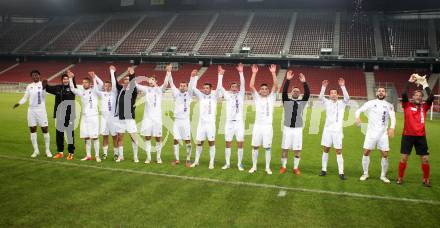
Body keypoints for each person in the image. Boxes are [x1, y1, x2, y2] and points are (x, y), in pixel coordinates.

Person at [397, 74, 434, 187]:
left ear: (422, 98)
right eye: (416, 95)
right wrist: (409, 81)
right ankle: (400, 177)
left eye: (420, 95)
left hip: (421, 136)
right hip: (407, 136)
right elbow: (403, 94)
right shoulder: (407, 105)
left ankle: (426, 179)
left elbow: (431, 96)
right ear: (413, 97)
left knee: (425, 159)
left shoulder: (424, 107)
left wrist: (425, 84)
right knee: (404, 158)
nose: (418, 97)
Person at [355, 87, 396, 183]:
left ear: (385, 94)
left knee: (385, 154)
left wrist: (392, 128)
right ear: (376, 93)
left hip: (383, 134)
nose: (381, 93)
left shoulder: (389, 105)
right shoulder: (370, 103)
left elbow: (393, 118)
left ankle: (383, 176)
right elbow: (358, 110)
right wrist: (357, 117)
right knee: (366, 152)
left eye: (383, 91)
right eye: (379, 91)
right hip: (371, 133)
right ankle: (365, 173)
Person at [13, 70, 52, 158]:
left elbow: (44, 95)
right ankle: (36, 150)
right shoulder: (29, 86)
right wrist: (19, 103)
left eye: (36, 75)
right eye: (33, 75)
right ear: (31, 77)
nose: (35, 77)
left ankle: (47, 150)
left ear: (39, 75)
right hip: (31, 111)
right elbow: (25, 97)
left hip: (41, 110)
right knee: (33, 130)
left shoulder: (43, 84)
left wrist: (44, 87)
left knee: (45, 129)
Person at [190, 66, 222, 169]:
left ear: (211, 89)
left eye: (207, 88)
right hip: (201, 124)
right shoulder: (201, 96)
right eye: (204, 88)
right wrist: (194, 77)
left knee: (211, 143)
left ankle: (211, 162)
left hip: (210, 124)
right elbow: (194, 88)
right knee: (199, 143)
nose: (205, 89)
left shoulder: (214, 96)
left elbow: (219, 87)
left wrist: (220, 75)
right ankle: (196, 161)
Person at [136, 66, 170, 164]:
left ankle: (158, 158)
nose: (151, 80)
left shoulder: (159, 90)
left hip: (157, 119)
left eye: (153, 79)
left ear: (156, 81)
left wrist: (168, 73)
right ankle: (149, 158)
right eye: (150, 79)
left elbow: (165, 84)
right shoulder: (146, 89)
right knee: (147, 137)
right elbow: (136, 85)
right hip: (147, 118)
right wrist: (131, 75)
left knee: (158, 138)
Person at [249, 64, 278, 175]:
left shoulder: (271, 98)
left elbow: (275, 85)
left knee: (267, 148)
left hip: (267, 127)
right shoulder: (257, 97)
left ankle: (267, 167)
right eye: (262, 89)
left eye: (266, 89)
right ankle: (254, 166)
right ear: (260, 91)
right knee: (255, 146)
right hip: (257, 126)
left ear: (268, 90)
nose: (264, 90)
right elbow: (251, 86)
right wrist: (254, 73)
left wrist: (273, 73)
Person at [318, 78, 349, 180]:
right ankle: (323, 170)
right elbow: (320, 98)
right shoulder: (327, 102)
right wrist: (323, 87)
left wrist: (342, 86)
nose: (333, 94)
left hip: (337, 132)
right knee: (326, 150)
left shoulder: (342, 103)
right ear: (329, 95)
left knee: (338, 151)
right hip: (327, 131)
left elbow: (347, 98)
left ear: (338, 95)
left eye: (335, 93)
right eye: (331, 93)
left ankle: (341, 172)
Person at [217, 64, 246, 171]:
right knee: (228, 143)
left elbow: (243, 84)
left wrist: (241, 72)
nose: (234, 88)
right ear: (230, 88)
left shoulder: (241, 94)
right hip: (229, 123)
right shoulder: (227, 95)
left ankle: (239, 164)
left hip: (239, 123)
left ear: (238, 88)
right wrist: (220, 75)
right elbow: (220, 87)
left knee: (240, 143)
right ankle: (227, 163)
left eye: (236, 87)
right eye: (232, 87)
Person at [280, 70, 309, 175]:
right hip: (287, 128)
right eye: (294, 91)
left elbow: (307, 94)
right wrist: (287, 80)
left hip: (298, 129)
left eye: (297, 91)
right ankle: (283, 167)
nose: (296, 92)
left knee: (297, 149)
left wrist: (304, 82)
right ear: (291, 92)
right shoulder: (286, 101)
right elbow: (283, 92)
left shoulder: (302, 102)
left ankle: (295, 168)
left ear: (299, 93)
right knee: (285, 148)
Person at [67, 70, 101, 162]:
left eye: (86, 82)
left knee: (95, 137)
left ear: (90, 84)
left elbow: (98, 86)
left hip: (93, 116)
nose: (84, 84)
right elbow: (73, 89)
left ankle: (97, 156)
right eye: (83, 82)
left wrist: (94, 78)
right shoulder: (82, 92)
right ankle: (88, 155)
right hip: (84, 117)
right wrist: (70, 78)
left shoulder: (94, 91)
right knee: (86, 137)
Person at [43, 73, 76, 160]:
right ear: (62, 80)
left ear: (69, 80)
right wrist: (44, 83)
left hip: (69, 115)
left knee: (69, 135)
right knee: (59, 135)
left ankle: (71, 153)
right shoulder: (57, 88)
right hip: (59, 115)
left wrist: (72, 77)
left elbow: (74, 83)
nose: (65, 80)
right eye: (64, 79)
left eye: (67, 79)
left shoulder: (72, 88)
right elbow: (47, 88)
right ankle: (60, 152)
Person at [168, 67, 197, 167]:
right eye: (180, 86)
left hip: (185, 121)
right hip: (176, 121)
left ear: (186, 87)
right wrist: (169, 72)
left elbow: (192, 85)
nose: (181, 87)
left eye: (184, 86)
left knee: (187, 141)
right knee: (175, 139)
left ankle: (188, 160)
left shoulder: (189, 94)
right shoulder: (176, 93)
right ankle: (176, 159)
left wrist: (192, 77)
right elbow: (171, 83)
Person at [90, 68, 119, 160]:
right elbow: (95, 89)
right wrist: (94, 78)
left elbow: (114, 83)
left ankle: (116, 154)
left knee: (115, 136)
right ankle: (105, 154)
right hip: (103, 118)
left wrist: (112, 72)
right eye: (105, 86)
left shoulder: (114, 92)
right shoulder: (102, 94)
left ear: (111, 86)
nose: (107, 87)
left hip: (112, 118)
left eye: (108, 86)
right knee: (105, 136)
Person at [112, 67, 139, 163]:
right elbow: (115, 84)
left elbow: (132, 83)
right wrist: (113, 72)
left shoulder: (133, 91)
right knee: (120, 137)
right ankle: (121, 156)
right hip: (121, 118)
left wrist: (132, 74)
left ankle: (135, 156)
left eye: (128, 80)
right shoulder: (121, 90)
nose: (126, 81)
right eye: (124, 80)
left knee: (134, 137)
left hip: (130, 118)